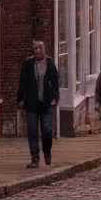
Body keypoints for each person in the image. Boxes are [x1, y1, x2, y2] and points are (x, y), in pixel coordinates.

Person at [16, 40, 60, 169]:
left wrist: (55, 98)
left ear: (44, 49)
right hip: (31, 102)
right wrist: (20, 99)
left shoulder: (50, 63)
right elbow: (22, 82)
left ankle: (47, 152)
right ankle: (34, 157)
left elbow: (55, 82)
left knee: (47, 128)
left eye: (40, 48)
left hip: (46, 102)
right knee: (32, 130)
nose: (38, 50)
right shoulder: (28, 64)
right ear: (33, 50)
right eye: (36, 48)